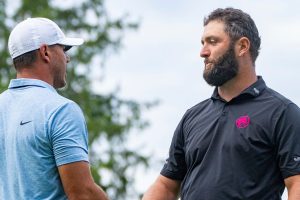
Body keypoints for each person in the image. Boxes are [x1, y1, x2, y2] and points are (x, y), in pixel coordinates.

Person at [143, 7, 300, 200]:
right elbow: (166, 185)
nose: (203, 52)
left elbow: (297, 184)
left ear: (242, 46)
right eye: (202, 43)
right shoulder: (192, 116)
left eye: (213, 42)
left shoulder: (283, 113)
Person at [0, 18, 108, 200]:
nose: (67, 58)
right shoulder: (61, 111)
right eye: (63, 49)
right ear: (45, 52)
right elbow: (83, 194)